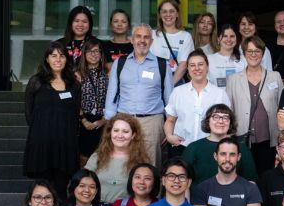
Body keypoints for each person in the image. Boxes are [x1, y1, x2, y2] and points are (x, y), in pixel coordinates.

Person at [105, 23, 175, 167]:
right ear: (132, 39)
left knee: (151, 166)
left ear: (152, 41)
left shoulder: (162, 65)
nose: (142, 40)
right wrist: (110, 124)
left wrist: (169, 127)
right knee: (122, 163)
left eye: (146, 37)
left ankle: (153, 190)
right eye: (138, 36)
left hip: (152, 122)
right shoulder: (120, 63)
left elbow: (170, 100)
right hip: (124, 122)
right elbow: (111, 94)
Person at [24, 41, 81, 199]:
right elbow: (29, 113)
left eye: (62, 56)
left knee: (62, 190)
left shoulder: (74, 85)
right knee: (42, 189)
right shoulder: (36, 82)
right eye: (53, 55)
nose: (58, 59)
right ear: (47, 59)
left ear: (67, 59)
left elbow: (76, 114)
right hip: (42, 145)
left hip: (65, 145)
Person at [225, 36, 284, 176]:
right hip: (242, 139)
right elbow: (229, 110)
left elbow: (282, 107)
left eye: (257, 51)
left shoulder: (275, 76)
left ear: (263, 54)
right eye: (249, 51)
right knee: (245, 176)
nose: (253, 54)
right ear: (244, 54)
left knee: (267, 177)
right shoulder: (233, 79)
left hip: (269, 138)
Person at [164, 49, 231, 158]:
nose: (197, 68)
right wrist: (169, 136)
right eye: (192, 65)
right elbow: (170, 120)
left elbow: (227, 124)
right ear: (188, 69)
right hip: (181, 146)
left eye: (200, 64)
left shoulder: (220, 94)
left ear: (207, 67)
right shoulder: (178, 92)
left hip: (210, 148)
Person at [183, 104, 258, 186]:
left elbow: (251, 181)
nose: (221, 121)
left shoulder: (241, 148)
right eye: (216, 117)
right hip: (199, 197)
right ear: (208, 121)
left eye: (225, 118)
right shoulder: (194, 148)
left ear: (230, 123)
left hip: (233, 197)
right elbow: (183, 179)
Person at [85, 113, 151, 205]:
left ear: (133, 135)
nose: (120, 135)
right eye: (116, 130)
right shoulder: (97, 157)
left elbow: (146, 193)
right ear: (110, 133)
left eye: (125, 131)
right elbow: (83, 183)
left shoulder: (140, 161)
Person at [76, 38, 109, 164]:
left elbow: (114, 99)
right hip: (84, 120)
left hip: (104, 120)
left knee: (103, 157)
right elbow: (75, 101)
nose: (93, 54)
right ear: (84, 54)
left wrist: (104, 120)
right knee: (84, 157)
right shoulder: (77, 75)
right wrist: (84, 120)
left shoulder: (108, 74)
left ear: (101, 54)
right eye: (89, 51)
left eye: (96, 51)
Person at [150, 0, 194, 85]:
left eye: (172, 11)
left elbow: (184, 64)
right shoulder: (152, 34)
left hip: (176, 81)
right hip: (153, 81)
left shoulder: (185, 36)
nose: (168, 14)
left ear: (177, 14)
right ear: (160, 14)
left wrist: (169, 85)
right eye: (164, 11)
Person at [208, 24, 246, 91]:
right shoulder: (209, 59)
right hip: (216, 100)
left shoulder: (244, 60)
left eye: (232, 36)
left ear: (236, 39)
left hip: (238, 100)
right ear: (218, 39)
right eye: (225, 36)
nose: (229, 39)